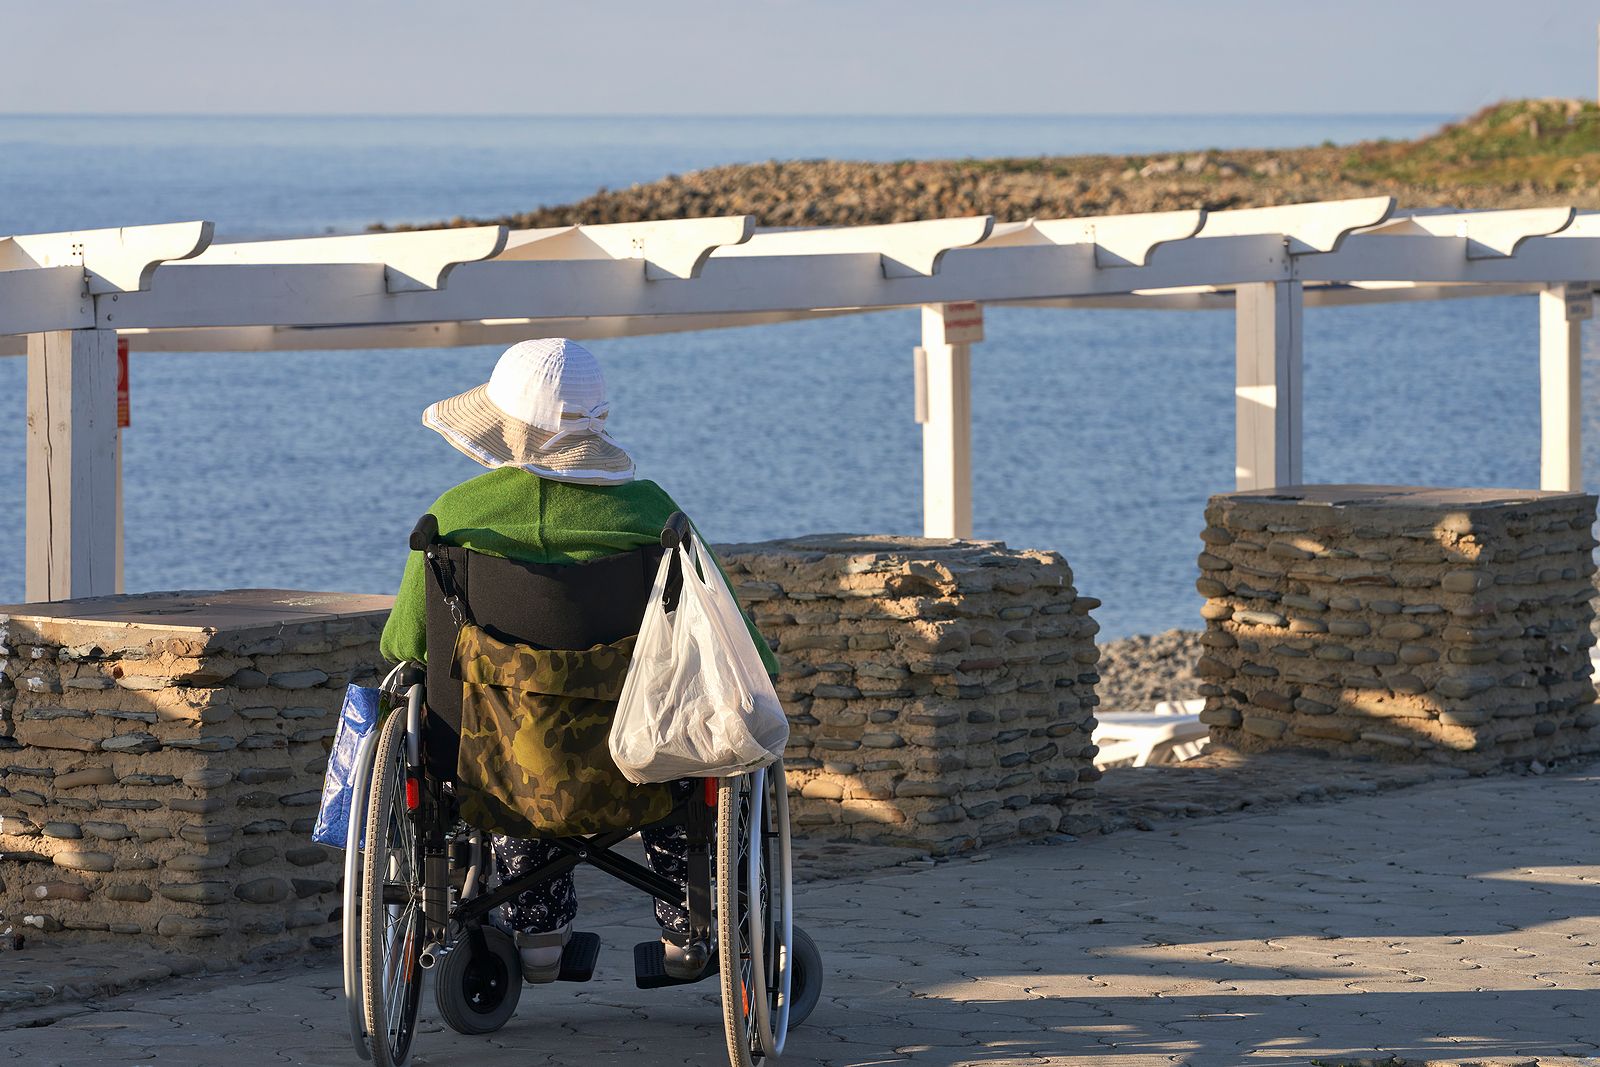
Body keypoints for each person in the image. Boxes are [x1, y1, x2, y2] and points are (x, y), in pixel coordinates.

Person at [379, 337, 778, 982]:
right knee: (680, 764)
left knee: (512, 733)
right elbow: (744, 650)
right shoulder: (653, 514)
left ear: (508, 428)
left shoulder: (454, 518)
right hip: (635, 754)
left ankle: (537, 941)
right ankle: (688, 932)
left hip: (500, 766)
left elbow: (404, 646)